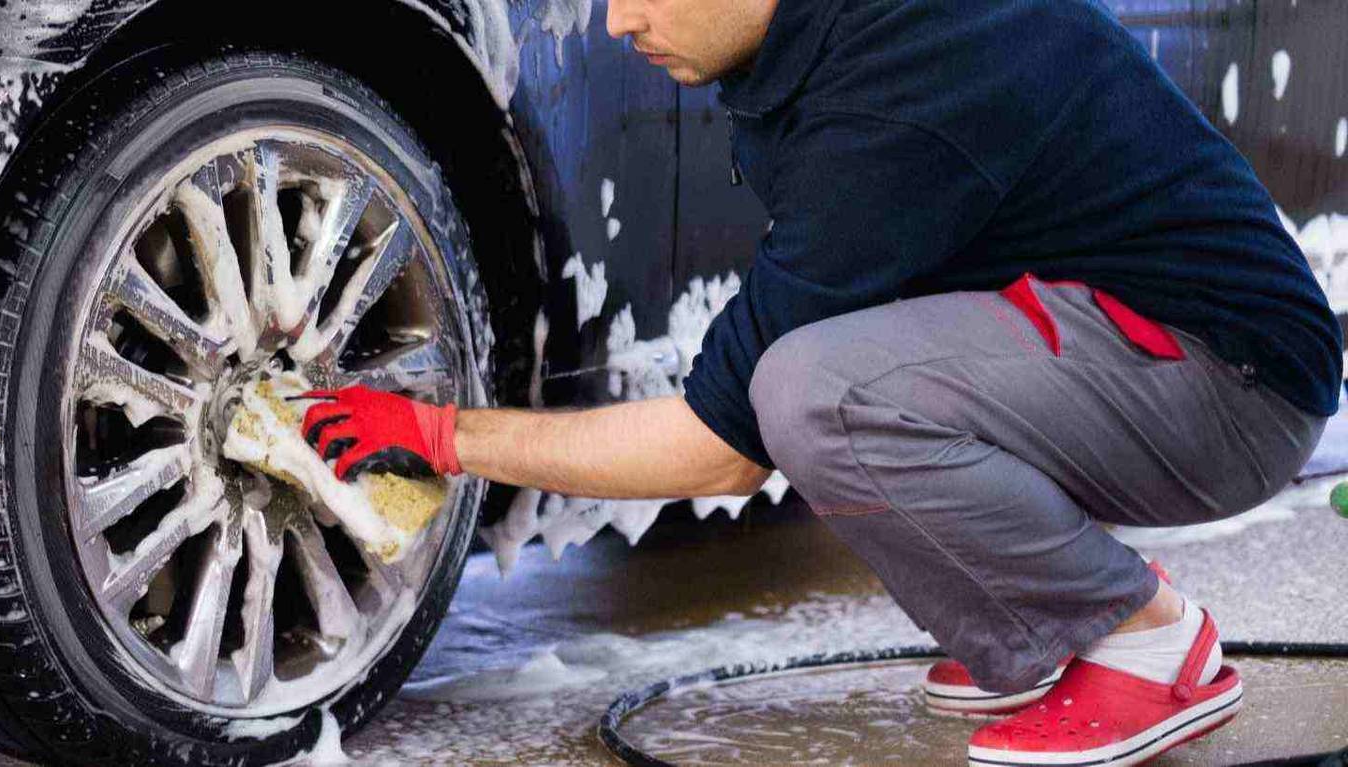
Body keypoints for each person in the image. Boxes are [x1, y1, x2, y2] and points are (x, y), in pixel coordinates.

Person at [297, 0, 1343, 763]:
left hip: (1233, 392)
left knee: (811, 390)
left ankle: (1147, 639)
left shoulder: (909, 78)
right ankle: (1028, 637)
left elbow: (721, 447)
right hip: (1137, 348)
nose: (619, 21)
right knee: (819, 370)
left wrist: (442, 432)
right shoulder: (828, 43)